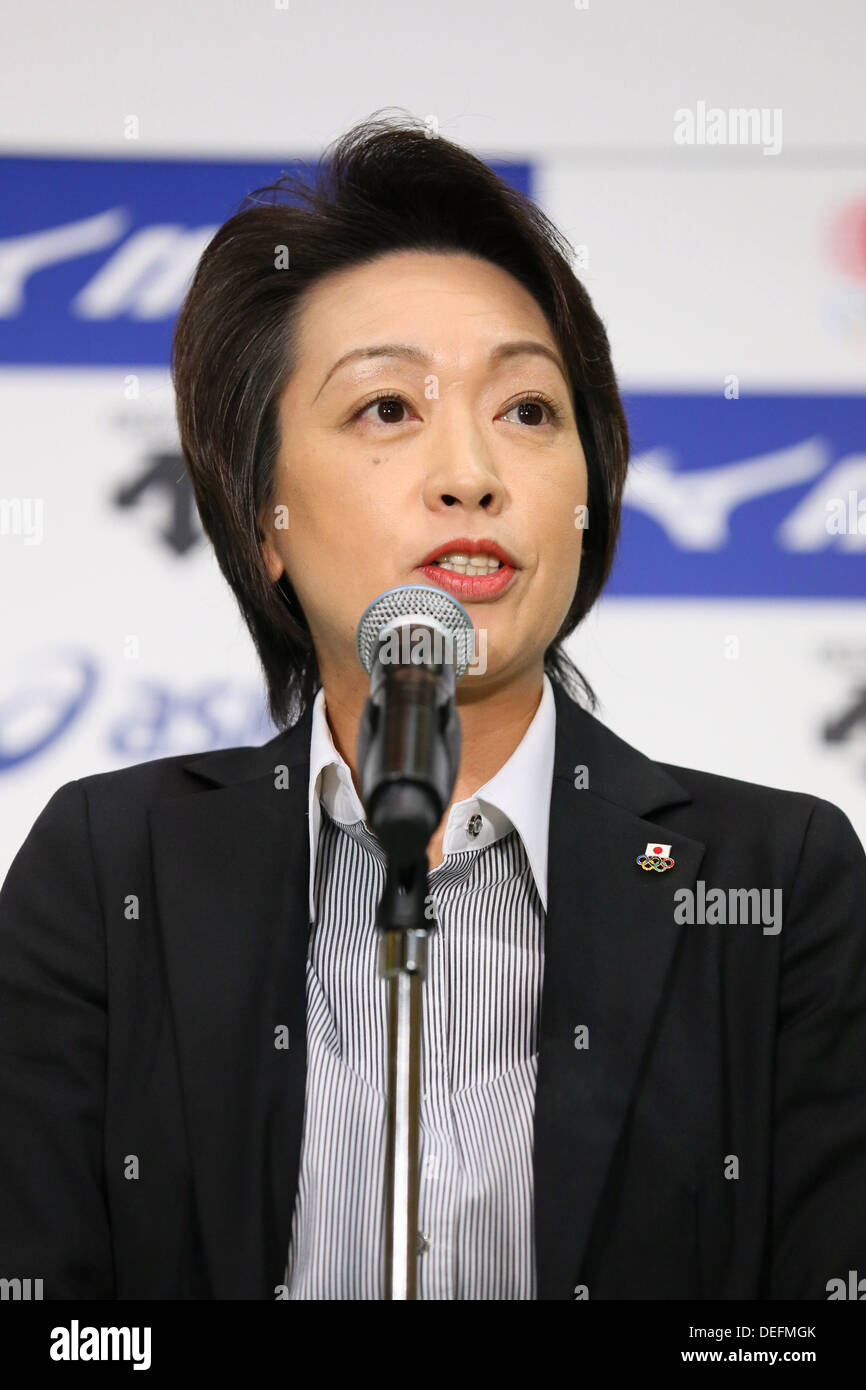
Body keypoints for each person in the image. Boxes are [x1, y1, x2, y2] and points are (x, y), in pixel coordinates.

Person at [1, 112, 864, 1301]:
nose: (472, 471)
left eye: (526, 411)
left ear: (590, 491)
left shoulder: (781, 878)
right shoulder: (108, 872)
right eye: (387, 410)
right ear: (265, 521)